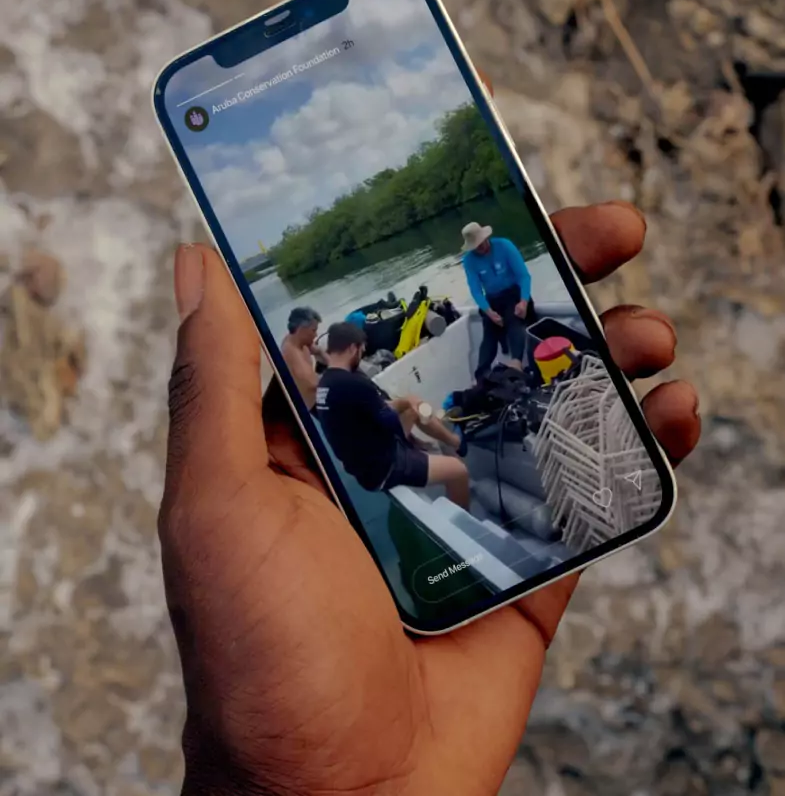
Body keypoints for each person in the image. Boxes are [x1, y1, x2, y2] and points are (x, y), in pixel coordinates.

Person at [164, 203, 700, 793]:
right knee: (452, 459)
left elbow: (368, 401)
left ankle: (460, 460)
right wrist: (423, 417)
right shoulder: (354, 389)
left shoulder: (331, 389)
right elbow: (393, 418)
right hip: (387, 467)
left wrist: (418, 398)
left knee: (440, 406)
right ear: (353, 351)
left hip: (379, 452)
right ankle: (462, 495)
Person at [315, 321, 471, 509]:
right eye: (361, 350)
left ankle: (453, 442)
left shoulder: (325, 383)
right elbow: (390, 422)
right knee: (458, 471)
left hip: (363, 459)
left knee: (413, 406)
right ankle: (461, 517)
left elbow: (376, 410)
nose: (361, 355)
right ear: (352, 348)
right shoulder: (352, 384)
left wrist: (408, 402)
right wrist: (411, 438)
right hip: (382, 466)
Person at [461, 221, 537, 381]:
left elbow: (524, 276)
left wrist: (524, 301)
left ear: (486, 238)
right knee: (489, 332)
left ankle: (516, 363)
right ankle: (481, 375)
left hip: (513, 293)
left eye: (481, 243)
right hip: (492, 299)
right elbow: (476, 290)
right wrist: (488, 312)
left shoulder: (504, 246)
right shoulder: (469, 261)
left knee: (513, 318)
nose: (480, 248)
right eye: (476, 246)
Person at [280, 306, 328, 409]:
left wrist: (333, 363)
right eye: (313, 330)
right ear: (301, 329)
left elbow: (318, 350)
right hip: (313, 405)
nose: (316, 335)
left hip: (318, 392)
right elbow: (314, 383)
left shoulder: (298, 340)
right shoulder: (292, 354)